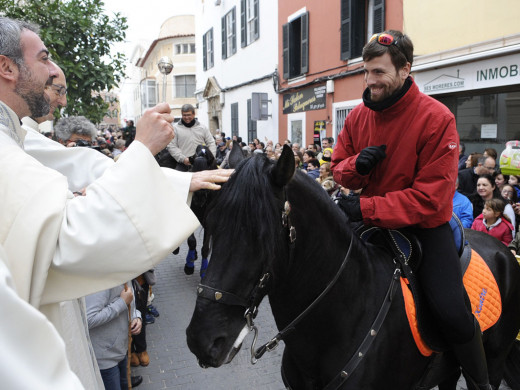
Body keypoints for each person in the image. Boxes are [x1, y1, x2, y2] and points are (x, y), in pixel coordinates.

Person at [0, 17, 231, 388]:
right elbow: (68, 240)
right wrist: (144, 148)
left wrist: (179, 180)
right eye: (43, 58)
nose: (53, 72)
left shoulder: (16, 134)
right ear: (6, 67)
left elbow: (85, 166)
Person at [331, 30, 493, 389]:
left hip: (423, 228)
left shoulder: (437, 118)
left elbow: (431, 200)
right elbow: (338, 165)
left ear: (406, 69)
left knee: (453, 314)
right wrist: (357, 166)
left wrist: (367, 206)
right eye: (366, 71)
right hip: (370, 220)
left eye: (379, 72)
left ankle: (480, 383)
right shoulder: (358, 116)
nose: (370, 81)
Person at [86, 282, 142, 390]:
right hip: (105, 358)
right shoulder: (101, 278)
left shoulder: (124, 272)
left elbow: (130, 300)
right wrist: (121, 302)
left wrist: (136, 317)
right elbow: (89, 319)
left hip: (121, 349)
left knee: (125, 385)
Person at [166, 104, 216, 172]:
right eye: (184, 115)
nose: (186, 117)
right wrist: (183, 159)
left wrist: (210, 157)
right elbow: (171, 146)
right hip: (184, 164)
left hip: (202, 163)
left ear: (194, 114)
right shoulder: (175, 129)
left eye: (188, 115)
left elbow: (211, 142)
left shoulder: (202, 127)